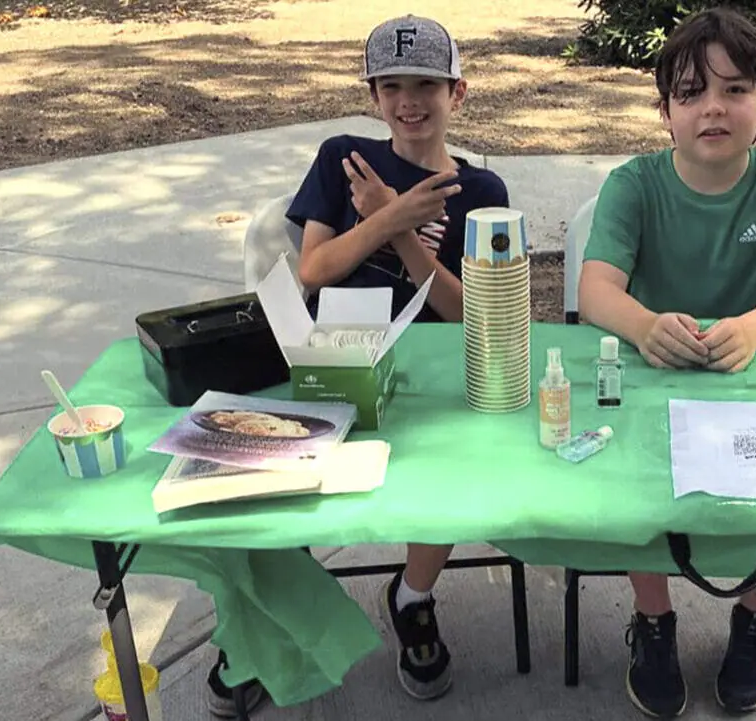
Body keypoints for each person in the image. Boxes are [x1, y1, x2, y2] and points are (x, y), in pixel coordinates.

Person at [205, 14, 509, 717]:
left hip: (431, 366)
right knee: (262, 483)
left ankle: (413, 595)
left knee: (454, 466)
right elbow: (314, 268)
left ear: (457, 93)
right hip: (331, 356)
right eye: (393, 85)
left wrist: (401, 228)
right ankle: (267, 621)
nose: (410, 102)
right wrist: (381, 214)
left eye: (426, 85)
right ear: (374, 95)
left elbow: (473, 314)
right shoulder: (344, 156)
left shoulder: (482, 189)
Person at [576, 7, 756, 719]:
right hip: (655, 387)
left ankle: (754, 616)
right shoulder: (634, 184)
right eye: (690, 93)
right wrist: (646, 325)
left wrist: (751, 327)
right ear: (665, 113)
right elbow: (595, 290)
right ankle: (653, 619)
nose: (713, 107)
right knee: (629, 481)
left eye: (736, 89)